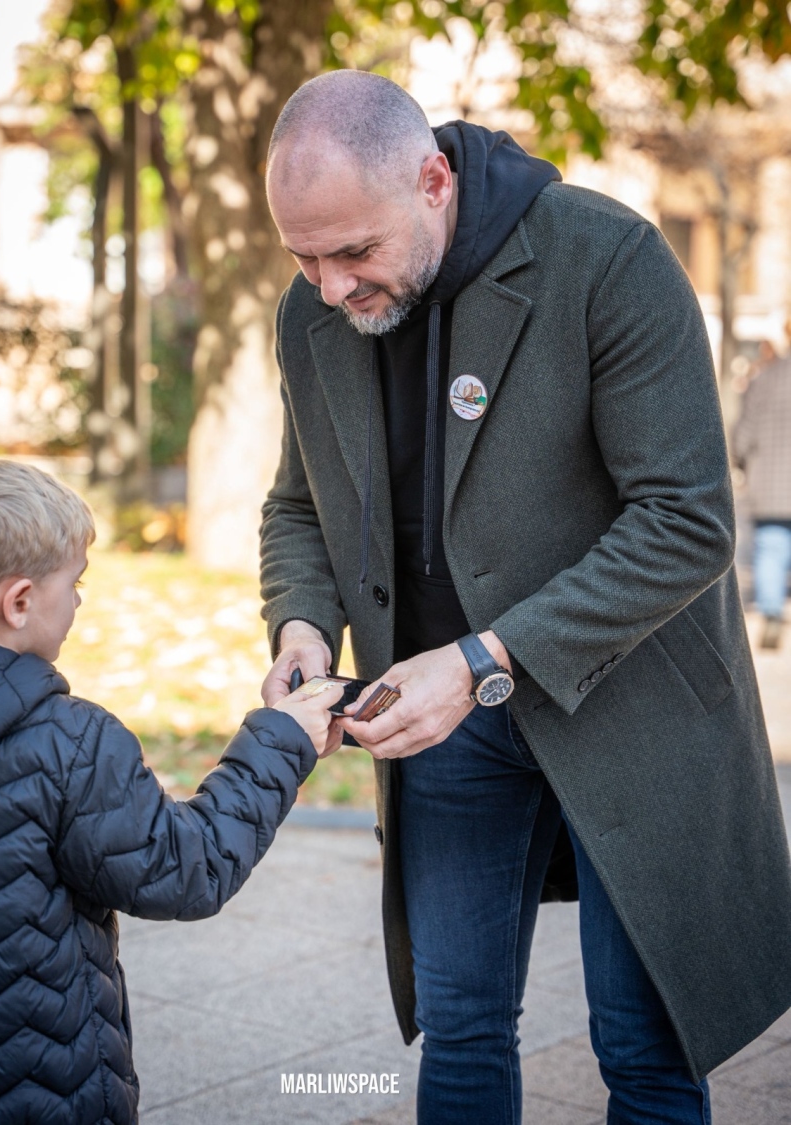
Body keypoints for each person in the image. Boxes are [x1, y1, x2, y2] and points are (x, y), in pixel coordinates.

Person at [258, 70, 791, 1125]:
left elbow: (687, 521)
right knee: (459, 1032)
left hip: (628, 704)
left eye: (353, 252)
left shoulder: (608, 258)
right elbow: (296, 507)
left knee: (642, 1050)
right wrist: (303, 627)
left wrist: (483, 660)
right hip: (438, 721)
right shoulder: (310, 312)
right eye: (303, 258)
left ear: (434, 180)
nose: (329, 288)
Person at [0, 456, 342, 1125]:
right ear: (19, 602)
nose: (79, 598)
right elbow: (185, 870)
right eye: (74, 582)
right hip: (43, 1090)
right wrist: (280, 740)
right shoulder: (72, 741)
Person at [732, 343, 791, 649]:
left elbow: (743, 435)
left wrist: (743, 462)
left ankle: (770, 614)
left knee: (771, 547)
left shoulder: (764, 379)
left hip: (770, 482)